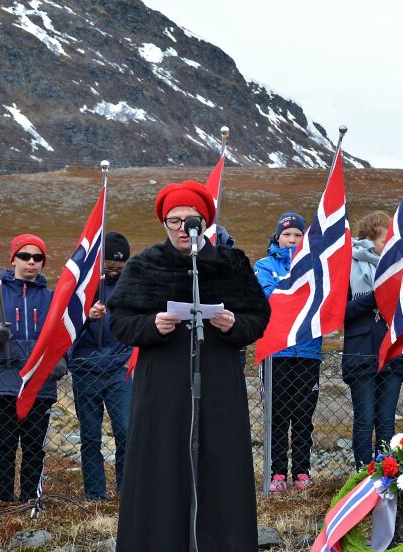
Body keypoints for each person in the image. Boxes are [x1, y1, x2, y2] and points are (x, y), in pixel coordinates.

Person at [107, 181, 270, 551]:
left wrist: (234, 326)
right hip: (161, 391)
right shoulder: (145, 266)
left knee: (219, 468)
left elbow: (258, 317)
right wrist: (151, 326)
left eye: (191, 220)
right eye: (175, 221)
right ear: (164, 224)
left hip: (217, 388)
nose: (183, 228)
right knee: (162, 470)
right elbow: (119, 321)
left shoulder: (231, 265)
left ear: (205, 222)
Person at [0, 233, 66, 503]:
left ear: (43, 263)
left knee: (35, 447)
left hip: (39, 384)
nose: (31, 262)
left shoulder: (52, 298)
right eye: (25, 256)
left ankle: (31, 501)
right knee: (6, 446)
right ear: (14, 259)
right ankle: (4, 502)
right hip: (3, 380)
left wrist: (61, 358)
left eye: (37, 257)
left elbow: (61, 335)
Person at [254, 212, 322, 491]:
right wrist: (297, 293)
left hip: (308, 351)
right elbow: (270, 298)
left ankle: (302, 472)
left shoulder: (315, 265)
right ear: (277, 237)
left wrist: (294, 293)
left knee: (304, 415)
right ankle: (277, 473)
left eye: (297, 235)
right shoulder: (263, 265)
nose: (292, 240)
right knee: (278, 415)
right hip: (276, 351)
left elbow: (318, 296)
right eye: (287, 235)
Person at [68, 231, 134, 501]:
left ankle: (126, 491)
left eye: (120, 266)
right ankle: (95, 495)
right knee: (91, 437)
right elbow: (66, 325)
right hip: (85, 369)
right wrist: (87, 316)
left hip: (120, 368)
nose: (114, 271)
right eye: (109, 265)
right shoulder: (82, 286)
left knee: (126, 432)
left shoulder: (130, 287)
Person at [343, 211, 403, 470]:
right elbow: (341, 313)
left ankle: (386, 477)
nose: (388, 246)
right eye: (384, 241)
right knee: (365, 419)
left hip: (392, 352)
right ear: (369, 239)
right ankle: (362, 477)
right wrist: (376, 295)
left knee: (387, 421)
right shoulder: (347, 266)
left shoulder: (400, 268)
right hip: (361, 352)